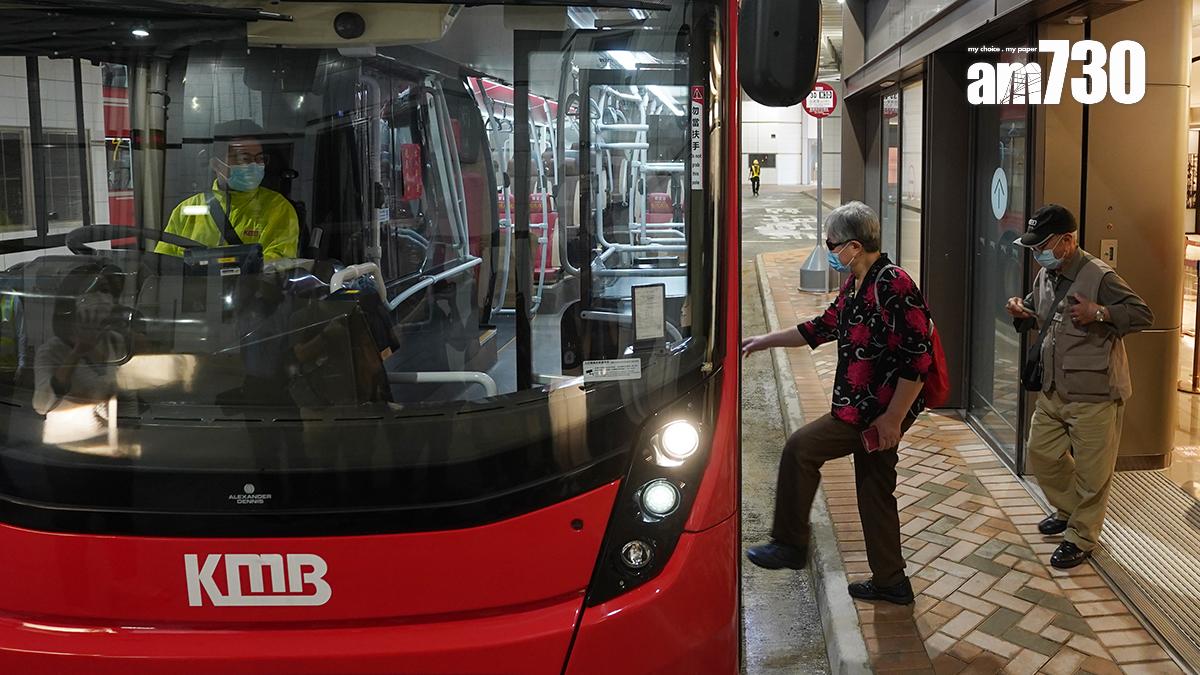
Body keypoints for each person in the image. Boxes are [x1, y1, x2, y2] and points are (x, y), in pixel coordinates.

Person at [742, 201, 933, 605]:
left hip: (873, 413)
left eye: (832, 244)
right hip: (862, 408)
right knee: (874, 488)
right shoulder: (856, 284)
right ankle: (891, 581)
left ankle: (789, 545)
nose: (829, 251)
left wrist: (894, 418)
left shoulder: (894, 284)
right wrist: (765, 341)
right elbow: (822, 327)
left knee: (800, 448)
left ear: (855, 246)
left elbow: (919, 358)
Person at [1006, 204, 1153, 569]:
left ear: (1067, 241)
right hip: (1055, 389)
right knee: (1041, 453)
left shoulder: (1100, 276)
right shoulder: (1047, 274)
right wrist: (1021, 311)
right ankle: (1071, 510)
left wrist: (1099, 313)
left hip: (1096, 393)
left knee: (1092, 474)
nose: (1037, 253)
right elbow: (1042, 313)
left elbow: (1142, 314)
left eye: (1043, 245)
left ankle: (1082, 536)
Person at [156, 119, 299, 262]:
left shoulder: (277, 208)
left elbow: (278, 262)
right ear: (217, 164)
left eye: (260, 158)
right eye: (244, 158)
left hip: (251, 285)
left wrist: (208, 264)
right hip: (192, 285)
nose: (254, 165)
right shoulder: (187, 210)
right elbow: (162, 261)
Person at [33, 264, 129, 416]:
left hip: (116, 433)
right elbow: (41, 405)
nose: (104, 297)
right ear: (74, 298)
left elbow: (128, 392)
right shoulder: (51, 352)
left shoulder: (115, 341)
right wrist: (77, 353)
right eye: (94, 290)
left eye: (106, 291)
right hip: (73, 435)